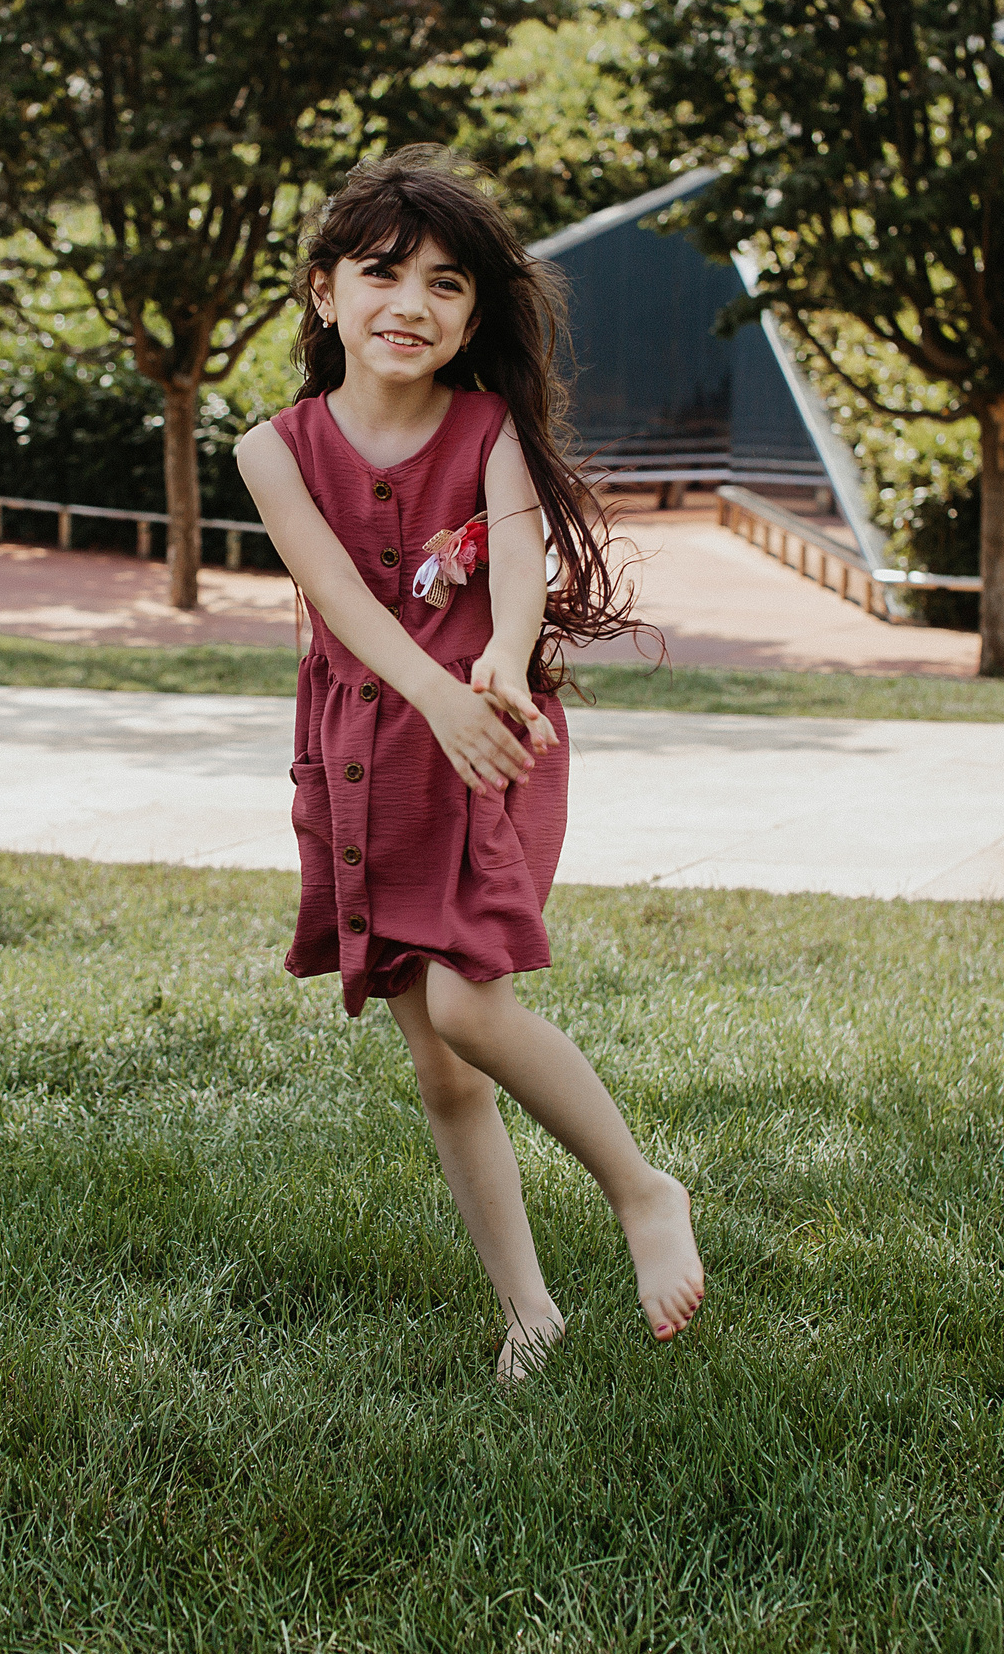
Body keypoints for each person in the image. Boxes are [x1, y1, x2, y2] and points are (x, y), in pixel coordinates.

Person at [236, 146, 705, 1384]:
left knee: (466, 999)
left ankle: (644, 1190)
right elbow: (336, 594)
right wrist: (432, 693)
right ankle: (528, 1310)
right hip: (366, 749)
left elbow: (513, 571)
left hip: (492, 740)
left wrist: (493, 665)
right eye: (382, 273)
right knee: (440, 1067)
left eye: (446, 285)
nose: (412, 304)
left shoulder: (487, 426)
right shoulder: (271, 449)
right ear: (324, 292)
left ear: (473, 317)